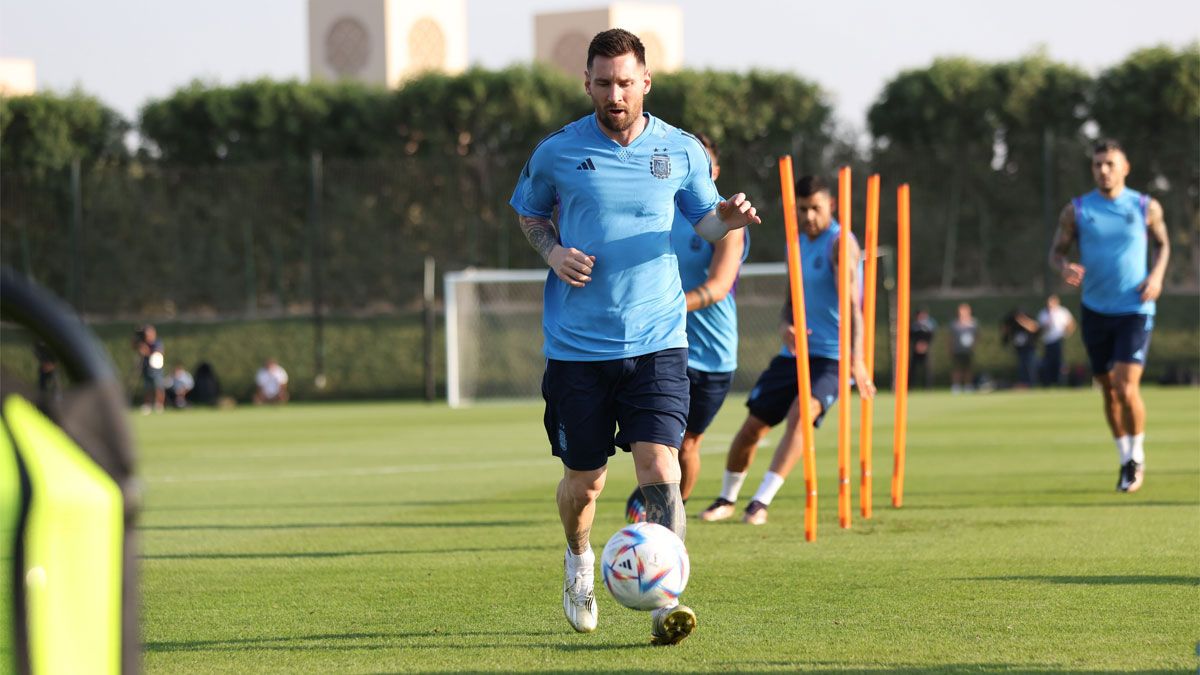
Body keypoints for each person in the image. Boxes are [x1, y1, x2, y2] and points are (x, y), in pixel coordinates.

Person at [508, 29, 760, 645]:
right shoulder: (558, 151)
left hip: (658, 338)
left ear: (645, 82)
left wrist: (727, 219)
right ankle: (577, 562)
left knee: (660, 467)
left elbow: (704, 222)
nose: (615, 93)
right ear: (588, 84)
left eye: (626, 82)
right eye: (603, 82)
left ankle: (663, 599)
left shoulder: (679, 149)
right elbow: (529, 212)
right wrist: (553, 251)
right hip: (578, 349)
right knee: (586, 480)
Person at [698, 175, 875, 526]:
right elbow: (791, 299)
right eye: (803, 209)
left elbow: (853, 306)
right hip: (794, 354)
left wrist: (856, 359)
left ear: (831, 207)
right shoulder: (795, 243)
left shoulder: (840, 244)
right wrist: (785, 324)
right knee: (752, 429)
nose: (809, 216)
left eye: (816, 209)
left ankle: (760, 503)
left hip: (832, 357)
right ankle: (727, 499)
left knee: (800, 417)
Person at [624, 132, 748, 524]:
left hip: (709, 354)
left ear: (714, 169)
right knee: (655, 443)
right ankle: (657, 517)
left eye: (704, 162)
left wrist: (665, 305)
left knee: (686, 442)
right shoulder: (660, 209)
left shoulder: (725, 219)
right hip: (659, 343)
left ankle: (667, 523)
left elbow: (717, 287)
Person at [1049, 139, 1169, 493]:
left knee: (1125, 384)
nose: (1103, 170)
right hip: (1094, 310)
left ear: (1125, 167)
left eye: (1110, 164)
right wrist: (1064, 267)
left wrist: (1158, 276)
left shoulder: (1146, 206)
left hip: (1135, 307)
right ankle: (1123, 458)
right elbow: (1056, 252)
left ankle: (1137, 456)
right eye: (1098, 164)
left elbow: (1163, 244)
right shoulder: (1077, 210)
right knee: (1108, 391)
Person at [1037, 294, 1075, 386]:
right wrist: (1046, 326)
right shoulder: (1043, 313)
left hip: (1059, 340)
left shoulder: (1063, 312)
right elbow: (1040, 328)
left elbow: (1071, 323)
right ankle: (1048, 382)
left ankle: (1060, 382)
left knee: (1060, 362)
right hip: (1048, 341)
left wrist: (1068, 333)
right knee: (1048, 362)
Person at [1001, 307, 1039, 389]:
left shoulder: (1027, 319)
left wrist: (1022, 321)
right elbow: (1005, 330)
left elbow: (1034, 328)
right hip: (1019, 349)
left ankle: (1031, 384)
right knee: (1021, 367)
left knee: (1030, 366)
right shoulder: (1012, 323)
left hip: (1029, 348)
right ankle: (1023, 384)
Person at [132, 324, 165, 414]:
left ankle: (159, 405)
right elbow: (134, 347)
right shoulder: (143, 342)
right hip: (146, 367)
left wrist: (146, 350)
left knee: (158, 386)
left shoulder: (157, 342)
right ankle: (147, 405)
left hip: (156, 367)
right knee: (147, 387)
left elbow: (157, 353)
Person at [948, 303, 978, 393]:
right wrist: (950, 348)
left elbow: (977, 336)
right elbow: (950, 338)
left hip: (968, 350)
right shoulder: (954, 324)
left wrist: (974, 345)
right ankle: (956, 386)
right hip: (957, 349)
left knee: (968, 368)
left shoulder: (973, 323)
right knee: (956, 368)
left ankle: (968, 385)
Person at [909, 308, 937, 389]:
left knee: (928, 369)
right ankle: (911, 386)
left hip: (926, 350)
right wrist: (916, 345)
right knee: (913, 369)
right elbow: (910, 337)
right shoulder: (914, 326)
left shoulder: (929, 325)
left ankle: (928, 387)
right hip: (915, 350)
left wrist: (925, 345)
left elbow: (932, 336)